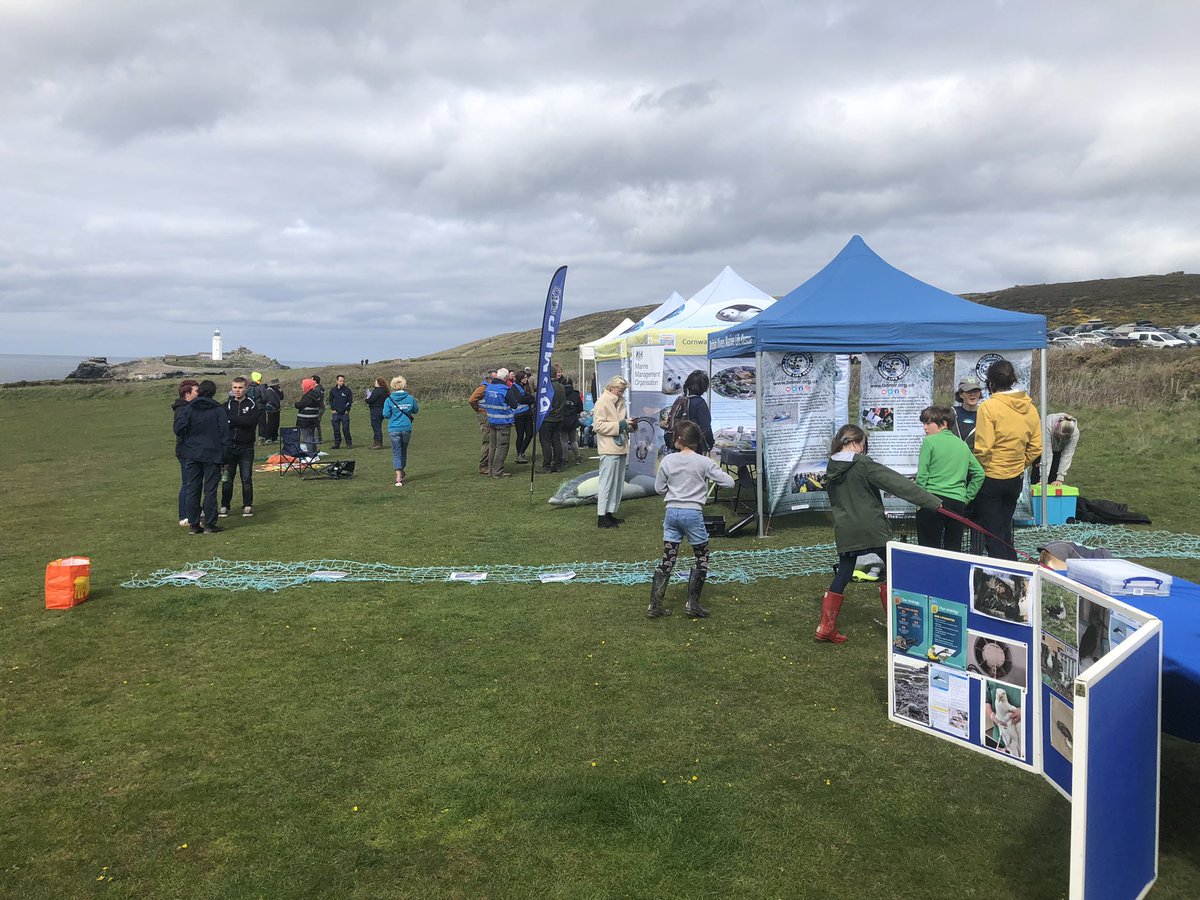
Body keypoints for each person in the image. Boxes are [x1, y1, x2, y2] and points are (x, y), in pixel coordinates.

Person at [815, 424, 942, 643]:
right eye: (864, 442)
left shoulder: (832, 465)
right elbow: (897, 484)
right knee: (894, 572)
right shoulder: (862, 463)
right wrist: (932, 502)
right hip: (872, 528)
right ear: (857, 441)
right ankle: (899, 629)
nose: (865, 447)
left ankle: (826, 627)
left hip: (846, 529)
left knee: (844, 574)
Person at [647, 421, 735, 619]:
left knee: (668, 558)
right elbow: (728, 482)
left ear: (678, 439)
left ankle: (655, 605)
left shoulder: (668, 460)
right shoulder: (703, 462)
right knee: (701, 555)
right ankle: (693, 604)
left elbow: (659, 488)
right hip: (693, 514)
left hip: (672, 513)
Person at [973, 360, 1042, 561]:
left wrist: (982, 469)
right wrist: (1019, 464)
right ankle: (1014, 573)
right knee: (1005, 531)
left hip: (991, 477)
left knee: (993, 535)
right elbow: (1036, 446)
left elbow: (984, 448)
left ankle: (1001, 578)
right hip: (1015, 478)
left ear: (990, 383)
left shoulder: (989, 407)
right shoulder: (1030, 407)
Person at [916, 405, 984, 551]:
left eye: (928, 423)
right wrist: (966, 496)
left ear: (944, 424)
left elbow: (922, 475)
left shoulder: (929, 442)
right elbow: (979, 473)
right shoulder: (963, 445)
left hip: (932, 500)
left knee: (928, 548)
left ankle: (930, 574)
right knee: (953, 548)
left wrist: (919, 500)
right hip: (957, 502)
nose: (924, 427)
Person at [174, 380, 230, 535]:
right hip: (212, 454)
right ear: (213, 392)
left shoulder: (189, 408)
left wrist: (189, 439)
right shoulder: (218, 410)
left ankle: (194, 524)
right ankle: (210, 524)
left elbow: (178, 428)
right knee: (210, 490)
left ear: (199, 392)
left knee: (193, 488)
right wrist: (225, 458)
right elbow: (225, 435)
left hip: (192, 453)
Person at [592, 375, 635, 528]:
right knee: (607, 482)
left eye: (623, 391)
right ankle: (601, 516)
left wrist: (630, 426)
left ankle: (609, 512)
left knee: (617, 483)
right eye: (620, 390)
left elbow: (621, 424)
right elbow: (597, 426)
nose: (621, 394)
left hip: (621, 446)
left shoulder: (620, 401)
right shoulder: (602, 402)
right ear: (611, 388)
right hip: (608, 448)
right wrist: (621, 424)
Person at [220, 376, 261, 518]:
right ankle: (225, 505)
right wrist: (236, 421)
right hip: (229, 447)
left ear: (246, 388)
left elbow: (250, 423)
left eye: (240, 387)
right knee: (227, 478)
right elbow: (224, 423)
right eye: (235, 388)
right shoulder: (227, 405)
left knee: (246, 478)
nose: (237, 390)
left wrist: (233, 419)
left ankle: (248, 505)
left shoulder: (252, 405)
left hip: (246, 447)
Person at [482, 367, 522, 478]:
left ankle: (490, 470)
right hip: (503, 421)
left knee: (493, 446)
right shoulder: (505, 390)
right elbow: (514, 404)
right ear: (505, 378)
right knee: (502, 446)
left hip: (491, 420)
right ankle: (498, 471)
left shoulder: (488, 388)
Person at [383, 375, 419, 486]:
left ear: (393, 386)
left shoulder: (389, 400)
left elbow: (386, 414)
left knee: (396, 452)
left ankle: (398, 477)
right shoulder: (410, 398)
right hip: (406, 428)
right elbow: (415, 410)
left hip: (394, 428)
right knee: (403, 450)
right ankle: (401, 471)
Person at [666, 370, 715, 453]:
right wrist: (710, 443)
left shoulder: (679, 400)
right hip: (693, 446)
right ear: (704, 387)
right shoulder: (700, 403)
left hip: (677, 443)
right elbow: (706, 428)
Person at [173, 379, 200, 526]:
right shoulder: (182, 410)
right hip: (185, 451)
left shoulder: (188, 408)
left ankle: (195, 510)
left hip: (191, 450)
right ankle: (184, 515)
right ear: (187, 393)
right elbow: (181, 431)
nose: (199, 393)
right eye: (196, 390)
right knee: (188, 484)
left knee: (193, 483)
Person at [1033, 413, 1080, 485]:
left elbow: (1067, 454)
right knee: (1036, 478)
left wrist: (1060, 479)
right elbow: (1047, 454)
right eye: (1059, 437)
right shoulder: (1046, 426)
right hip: (1040, 449)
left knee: (1054, 478)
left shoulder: (1075, 433)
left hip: (1058, 451)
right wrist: (1043, 479)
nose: (1061, 440)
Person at [468, 370, 497, 476]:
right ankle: (483, 466)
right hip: (484, 417)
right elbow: (471, 400)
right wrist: (479, 410)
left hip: (490, 416)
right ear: (489, 379)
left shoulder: (489, 387)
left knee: (492, 440)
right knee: (487, 441)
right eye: (495, 378)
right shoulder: (482, 388)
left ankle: (490, 464)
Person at [538, 374, 566, 473]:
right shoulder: (561, 387)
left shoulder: (546, 388)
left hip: (547, 419)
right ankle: (558, 464)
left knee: (546, 442)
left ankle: (547, 466)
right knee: (556, 441)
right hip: (558, 418)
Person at [512, 370, 535, 463]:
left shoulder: (524, 386)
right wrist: (529, 399)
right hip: (519, 414)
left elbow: (531, 397)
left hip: (527, 414)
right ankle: (520, 454)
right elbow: (521, 399)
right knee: (520, 435)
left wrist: (529, 398)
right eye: (524, 377)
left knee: (530, 434)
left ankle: (521, 452)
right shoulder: (514, 387)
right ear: (520, 378)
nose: (526, 379)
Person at [294, 377, 322, 453]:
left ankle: (311, 454)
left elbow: (300, 405)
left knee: (307, 438)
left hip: (305, 420)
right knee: (312, 437)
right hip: (313, 419)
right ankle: (314, 452)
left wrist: (296, 404)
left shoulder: (308, 396)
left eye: (303, 386)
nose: (302, 387)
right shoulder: (316, 395)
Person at [953, 377, 983, 448]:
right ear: (960, 394)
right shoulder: (952, 413)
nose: (972, 394)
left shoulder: (985, 415)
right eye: (968, 391)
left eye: (975, 391)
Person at [561, 377, 584, 464]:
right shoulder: (575, 394)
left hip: (563, 419)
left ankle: (564, 459)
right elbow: (580, 408)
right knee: (573, 440)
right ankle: (578, 458)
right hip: (573, 419)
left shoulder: (561, 393)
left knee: (563, 440)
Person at [329, 374, 353, 449]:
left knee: (345, 429)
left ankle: (348, 443)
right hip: (336, 413)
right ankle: (337, 444)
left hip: (344, 414)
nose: (342, 382)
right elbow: (330, 400)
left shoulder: (347, 390)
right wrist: (333, 409)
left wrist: (347, 410)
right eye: (340, 381)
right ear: (337, 381)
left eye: (343, 381)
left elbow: (350, 401)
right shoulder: (333, 390)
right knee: (336, 429)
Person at [365, 377, 390, 449]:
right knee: (378, 426)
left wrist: (367, 398)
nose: (374, 383)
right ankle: (377, 442)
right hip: (383, 410)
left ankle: (378, 443)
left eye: (375, 382)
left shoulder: (377, 391)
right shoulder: (385, 391)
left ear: (378, 383)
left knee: (376, 426)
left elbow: (370, 400)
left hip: (376, 410)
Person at [258, 378, 282, 444]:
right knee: (271, 424)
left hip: (276, 409)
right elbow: (272, 401)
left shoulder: (276, 391)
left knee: (276, 424)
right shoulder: (269, 391)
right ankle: (268, 437)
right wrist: (277, 406)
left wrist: (280, 391)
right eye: (277, 385)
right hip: (271, 410)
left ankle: (274, 437)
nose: (278, 386)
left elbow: (281, 397)